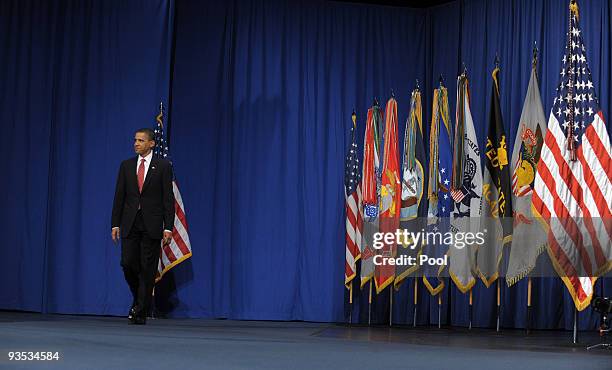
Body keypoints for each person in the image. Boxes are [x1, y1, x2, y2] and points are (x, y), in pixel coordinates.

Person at [111, 128, 174, 325]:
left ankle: (139, 309)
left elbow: (168, 199)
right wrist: (115, 223)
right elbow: (119, 197)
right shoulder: (126, 166)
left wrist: (168, 227)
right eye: (135, 140)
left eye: (141, 140)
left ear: (152, 143)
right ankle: (141, 299)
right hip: (130, 222)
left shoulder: (163, 166)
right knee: (128, 263)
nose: (136, 143)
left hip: (152, 224)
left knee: (147, 268)